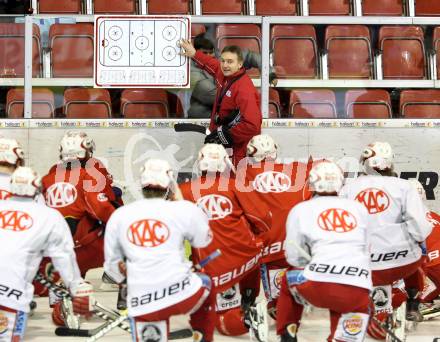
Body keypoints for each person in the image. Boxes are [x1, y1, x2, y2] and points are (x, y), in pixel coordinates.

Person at [104, 158, 216, 342]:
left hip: (141, 301)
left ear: (141, 184)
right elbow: (204, 240)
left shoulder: (120, 215)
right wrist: (180, 199)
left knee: (151, 319)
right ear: (169, 185)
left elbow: (111, 268)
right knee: (207, 283)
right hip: (181, 294)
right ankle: (202, 337)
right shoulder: (183, 209)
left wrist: (132, 286)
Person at [180, 143, 272, 341]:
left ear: (200, 163)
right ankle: (249, 301)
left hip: (215, 266)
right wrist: (256, 237)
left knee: (222, 325)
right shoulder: (236, 185)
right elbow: (262, 219)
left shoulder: (184, 190)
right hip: (247, 257)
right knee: (254, 255)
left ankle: (246, 316)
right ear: (224, 164)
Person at [339, 142, 432, 335]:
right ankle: (413, 302)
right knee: (418, 250)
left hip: (363, 264)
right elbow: (421, 228)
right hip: (399, 262)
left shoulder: (348, 188)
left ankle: (359, 315)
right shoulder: (404, 186)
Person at [277, 161, 372, 342]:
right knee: (345, 320)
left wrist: (315, 262)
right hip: (358, 289)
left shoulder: (301, 209)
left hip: (316, 286)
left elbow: (293, 258)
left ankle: (288, 334)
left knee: (288, 278)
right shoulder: (359, 208)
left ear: (312, 183)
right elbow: (367, 249)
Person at [0, 167, 93, 341]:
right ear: (37, 189)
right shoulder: (49, 216)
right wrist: (76, 287)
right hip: (11, 296)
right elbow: (63, 256)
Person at [41, 131, 117, 325]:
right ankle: (125, 294)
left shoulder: (48, 177)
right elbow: (101, 209)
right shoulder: (91, 174)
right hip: (85, 248)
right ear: (86, 152)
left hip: (52, 251)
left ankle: (61, 296)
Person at [238, 134, 311, 319]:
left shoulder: (243, 174)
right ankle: (300, 295)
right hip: (296, 243)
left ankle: (275, 303)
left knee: (277, 306)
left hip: (269, 245)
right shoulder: (296, 170)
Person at [180, 39, 262, 166]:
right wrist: (194, 54)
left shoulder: (244, 89)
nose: (225, 65)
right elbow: (212, 63)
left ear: (240, 64)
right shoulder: (225, 73)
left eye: (230, 62)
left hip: (239, 152)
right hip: (224, 146)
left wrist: (225, 135)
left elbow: (252, 125)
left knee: (233, 183)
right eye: (223, 60)